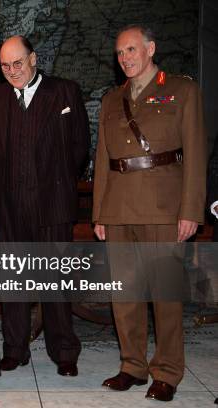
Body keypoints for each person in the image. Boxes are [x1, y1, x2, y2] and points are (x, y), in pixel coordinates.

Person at [93, 24, 207, 402]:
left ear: (150, 48)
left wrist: (190, 210)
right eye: (120, 53)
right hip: (119, 207)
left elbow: (195, 156)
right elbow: (103, 162)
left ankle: (168, 371)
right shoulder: (111, 99)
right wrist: (99, 214)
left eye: (131, 50)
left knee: (165, 295)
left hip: (164, 206)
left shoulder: (182, 90)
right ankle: (132, 366)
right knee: (123, 294)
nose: (125, 57)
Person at [0, 35, 88, 376]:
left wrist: (55, 183)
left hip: (52, 205)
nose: (12, 71)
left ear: (34, 59)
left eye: (18, 63)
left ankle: (64, 352)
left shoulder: (64, 91)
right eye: (5, 66)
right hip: (9, 206)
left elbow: (79, 148)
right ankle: (14, 349)